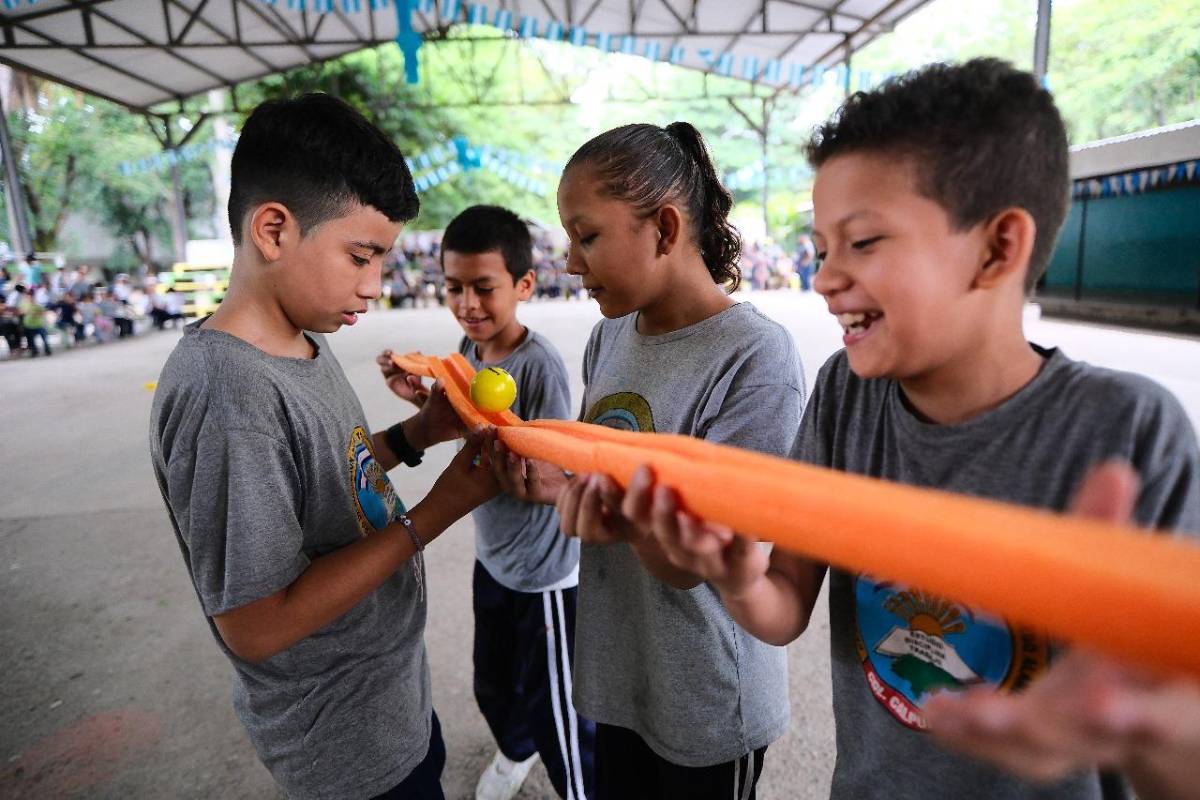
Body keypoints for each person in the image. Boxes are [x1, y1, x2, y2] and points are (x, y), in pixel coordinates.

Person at [633, 59, 1200, 799]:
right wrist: (734, 574)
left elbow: (1176, 733)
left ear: (998, 248)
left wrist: (1150, 741)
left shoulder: (1129, 431)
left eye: (863, 243)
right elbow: (782, 609)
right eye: (823, 248)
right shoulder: (846, 396)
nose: (826, 279)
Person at [149, 93, 498, 800]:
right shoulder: (228, 395)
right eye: (361, 256)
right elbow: (255, 623)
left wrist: (416, 435)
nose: (375, 286)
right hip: (342, 743)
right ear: (274, 230)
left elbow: (322, 482)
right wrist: (437, 512)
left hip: (387, 694)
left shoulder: (301, 336)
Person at [486, 122, 805, 799]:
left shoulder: (753, 357)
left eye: (587, 236)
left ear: (663, 229)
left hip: (707, 694)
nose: (571, 264)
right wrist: (556, 480)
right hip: (619, 669)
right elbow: (604, 461)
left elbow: (712, 559)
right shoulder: (610, 336)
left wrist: (621, 518)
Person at [380, 205, 595, 800]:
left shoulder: (539, 365)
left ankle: (578, 786)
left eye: (484, 288)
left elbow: (550, 467)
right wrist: (424, 402)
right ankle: (516, 749)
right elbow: (465, 420)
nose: (468, 305)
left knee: (561, 713)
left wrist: (502, 451)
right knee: (493, 684)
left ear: (524, 285)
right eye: (453, 288)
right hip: (494, 559)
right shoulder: (466, 352)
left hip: (545, 576)